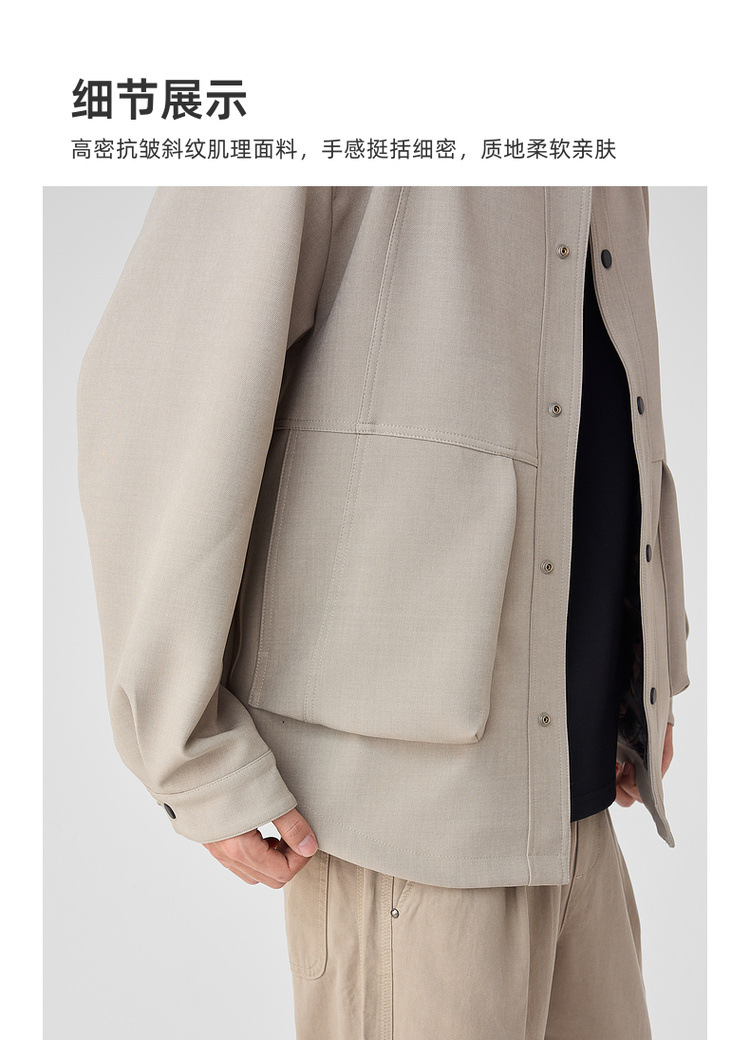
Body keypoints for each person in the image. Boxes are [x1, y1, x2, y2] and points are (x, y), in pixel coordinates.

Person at [77, 186, 690, 1040]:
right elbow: (165, 379)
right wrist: (185, 748)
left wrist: (645, 668)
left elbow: (618, 390)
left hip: (580, 805)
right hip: (410, 833)